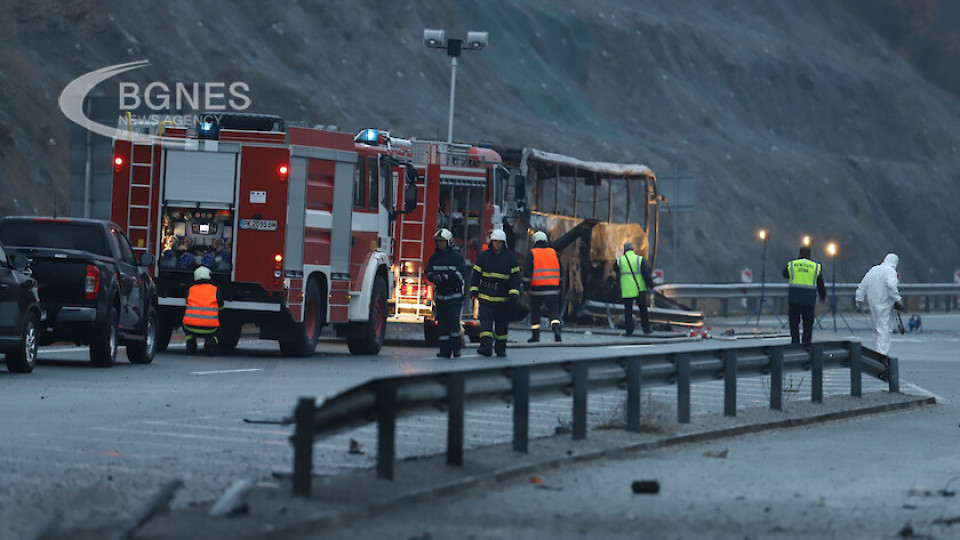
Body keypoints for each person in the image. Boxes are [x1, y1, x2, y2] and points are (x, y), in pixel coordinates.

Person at [470, 228, 521, 357]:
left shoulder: (510, 258)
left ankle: (500, 349)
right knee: (485, 326)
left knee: (501, 327)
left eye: (499, 242)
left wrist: (514, 293)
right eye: (495, 241)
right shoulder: (484, 256)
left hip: (503, 300)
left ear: (503, 243)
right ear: (491, 242)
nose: (497, 244)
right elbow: (476, 275)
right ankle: (486, 347)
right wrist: (474, 290)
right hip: (486, 298)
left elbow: (515, 278)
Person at [425, 228, 468, 358]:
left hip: (454, 296)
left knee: (453, 322)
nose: (440, 244)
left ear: (449, 242)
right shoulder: (435, 257)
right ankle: (444, 351)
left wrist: (446, 277)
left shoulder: (456, 257)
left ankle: (456, 349)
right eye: (438, 242)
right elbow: (428, 272)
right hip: (440, 296)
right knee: (442, 325)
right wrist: (433, 277)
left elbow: (461, 275)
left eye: (442, 242)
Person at [855, 253, 903, 359]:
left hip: (873, 303)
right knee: (885, 329)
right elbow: (891, 285)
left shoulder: (873, 270)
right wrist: (897, 299)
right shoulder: (890, 271)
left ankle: (876, 351)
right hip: (885, 304)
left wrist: (859, 298)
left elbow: (863, 285)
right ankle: (882, 354)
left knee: (876, 328)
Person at [781, 246, 827, 344]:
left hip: (794, 299)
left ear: (799, 254)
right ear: (810, 254)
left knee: (794, 322)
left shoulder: (793, 264)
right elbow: (820, 283)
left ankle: (795, 342)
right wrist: (822, 296)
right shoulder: (815, 267)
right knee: (808, 323)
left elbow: (784, 274)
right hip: (808, 300)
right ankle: (806, 343)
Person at [523, 231, 562, 342]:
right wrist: (559, 286)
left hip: (537, 290)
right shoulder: (554, 253)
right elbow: (561, 272)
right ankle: (556, 330)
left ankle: (535, 336)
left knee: (535, 313)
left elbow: (527, 273)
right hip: (553, 290)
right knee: (554, 313)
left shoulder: (532, 253)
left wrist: (525, 288)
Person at [615, 241, 654, 336]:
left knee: (628, 311)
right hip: (639, 289)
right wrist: (650, 284)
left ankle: (629, 331)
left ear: (624, 250)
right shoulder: (639, 260)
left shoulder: (620, 261)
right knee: (643, 310)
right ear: (633, 249)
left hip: (627, 290)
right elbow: (646, 274)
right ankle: (646, 329)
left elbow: (615, 270)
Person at [183, 265, 222, 355]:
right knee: (219, 332)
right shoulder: (215, 289)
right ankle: (211, 343)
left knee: (188, 330)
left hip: (190, 327)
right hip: (210, 328)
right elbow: (220, 306)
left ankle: (190, 344)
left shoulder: (190, 289)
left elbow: (187, 302)